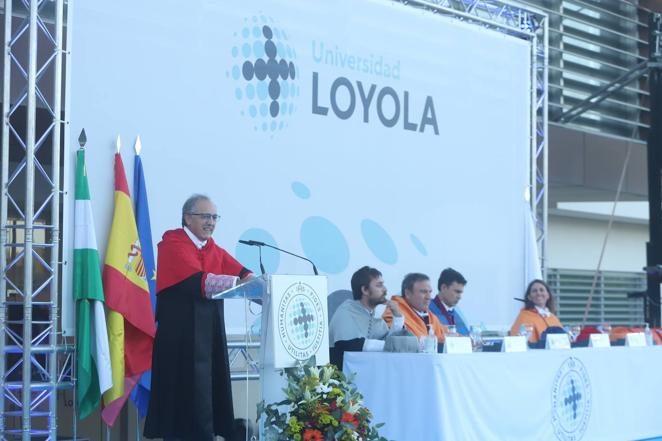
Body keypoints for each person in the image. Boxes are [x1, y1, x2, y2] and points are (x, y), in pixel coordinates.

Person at [144, 194, 253, 441]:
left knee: (209, 395)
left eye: (214, 217)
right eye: (205, 216)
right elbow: (200, 282)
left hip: (209, 335)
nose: (211, 222)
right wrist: (237, 283)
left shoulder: (213, 248)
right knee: (181, 401)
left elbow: (242, 272)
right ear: (187, 218)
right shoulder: (172, 244)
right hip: (179, 339)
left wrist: (255, 283)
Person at [328, 266, 405, 366]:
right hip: (342, 377)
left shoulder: (373, 314)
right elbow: (347, 344)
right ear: (365, 290)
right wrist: (389, 345)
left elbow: (389, 341)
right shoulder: (346, 311)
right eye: (379, 285)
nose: (385, 289)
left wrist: (398, 317)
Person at [383, 273, 446, 342]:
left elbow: (445, 335)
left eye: (430, 292)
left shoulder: (431, 317)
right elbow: (400, 340)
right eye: (423, 292)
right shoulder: (394, 313)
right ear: (408, 293)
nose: (429, 297)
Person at [510, 279, 563, 344]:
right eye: (534, 291)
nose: (538, 293)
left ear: (548, 295)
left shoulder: (553, 318)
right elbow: (516, 342)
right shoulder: (524, 316)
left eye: (542, 290)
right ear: (529, 297)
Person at [429, 267, 469, 336]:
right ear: (443, 288)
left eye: (461, 293)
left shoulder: (457, 312)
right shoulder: (427, 310)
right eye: (457, 292)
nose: (459, 297)